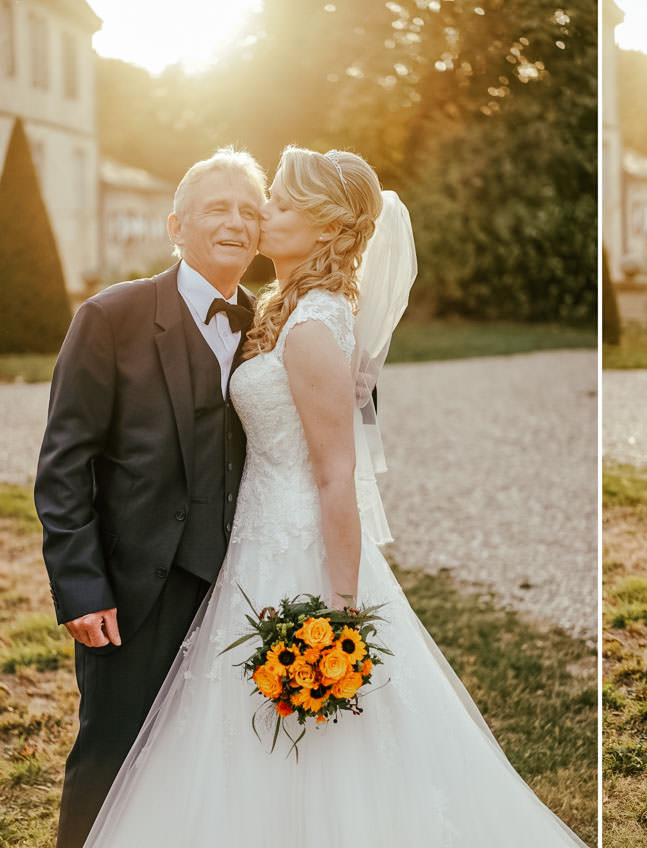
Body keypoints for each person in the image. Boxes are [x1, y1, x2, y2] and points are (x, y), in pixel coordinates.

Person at [78, 146, 587, 846]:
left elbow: (334, 475)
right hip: (250, 548)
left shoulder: (314, 324)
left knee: (308, 739)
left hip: (300, 554)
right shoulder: (278, 310)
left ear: (323, 229)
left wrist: (341, 611)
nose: (262, 215)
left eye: (279, 205)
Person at [36, 148, 266, 848]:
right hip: (134, 588)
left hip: (243, 583)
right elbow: (63, 462)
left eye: (251, 211)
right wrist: (80, 587)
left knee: (222, 762)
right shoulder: (112, 316)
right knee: (112, 758)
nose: (238, 222)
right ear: (177, 225)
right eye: (218, 208)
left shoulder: (275, 324)